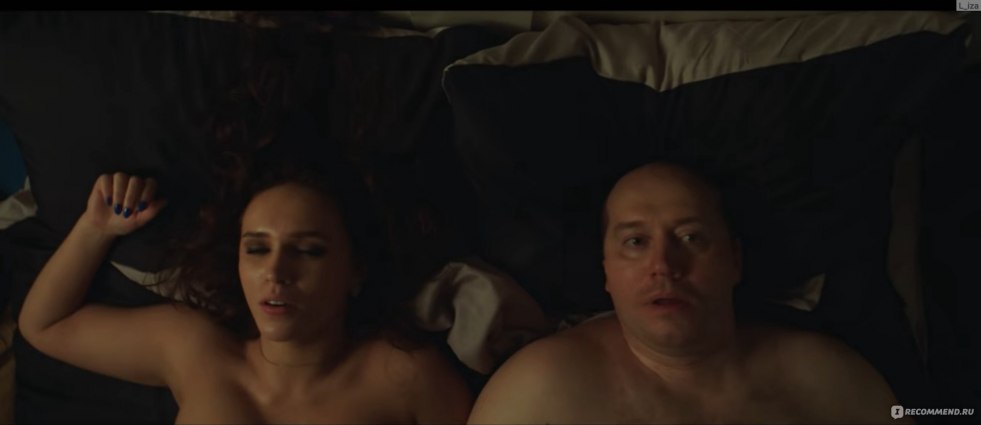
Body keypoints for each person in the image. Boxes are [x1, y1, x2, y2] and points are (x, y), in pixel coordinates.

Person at [18, 144, 473, 423]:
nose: (276, 272)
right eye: (256, 248)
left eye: (308, 250)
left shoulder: (404, 375)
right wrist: (96, 229)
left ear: (355, 271)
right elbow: (46, 325)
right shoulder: (195, 351)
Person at [467, 161, 908, 424]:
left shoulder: (825, 378)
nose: (664, 265)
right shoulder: (538, 389)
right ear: (606, 272)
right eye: (635, 242)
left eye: (691, 237)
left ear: (734, 260)